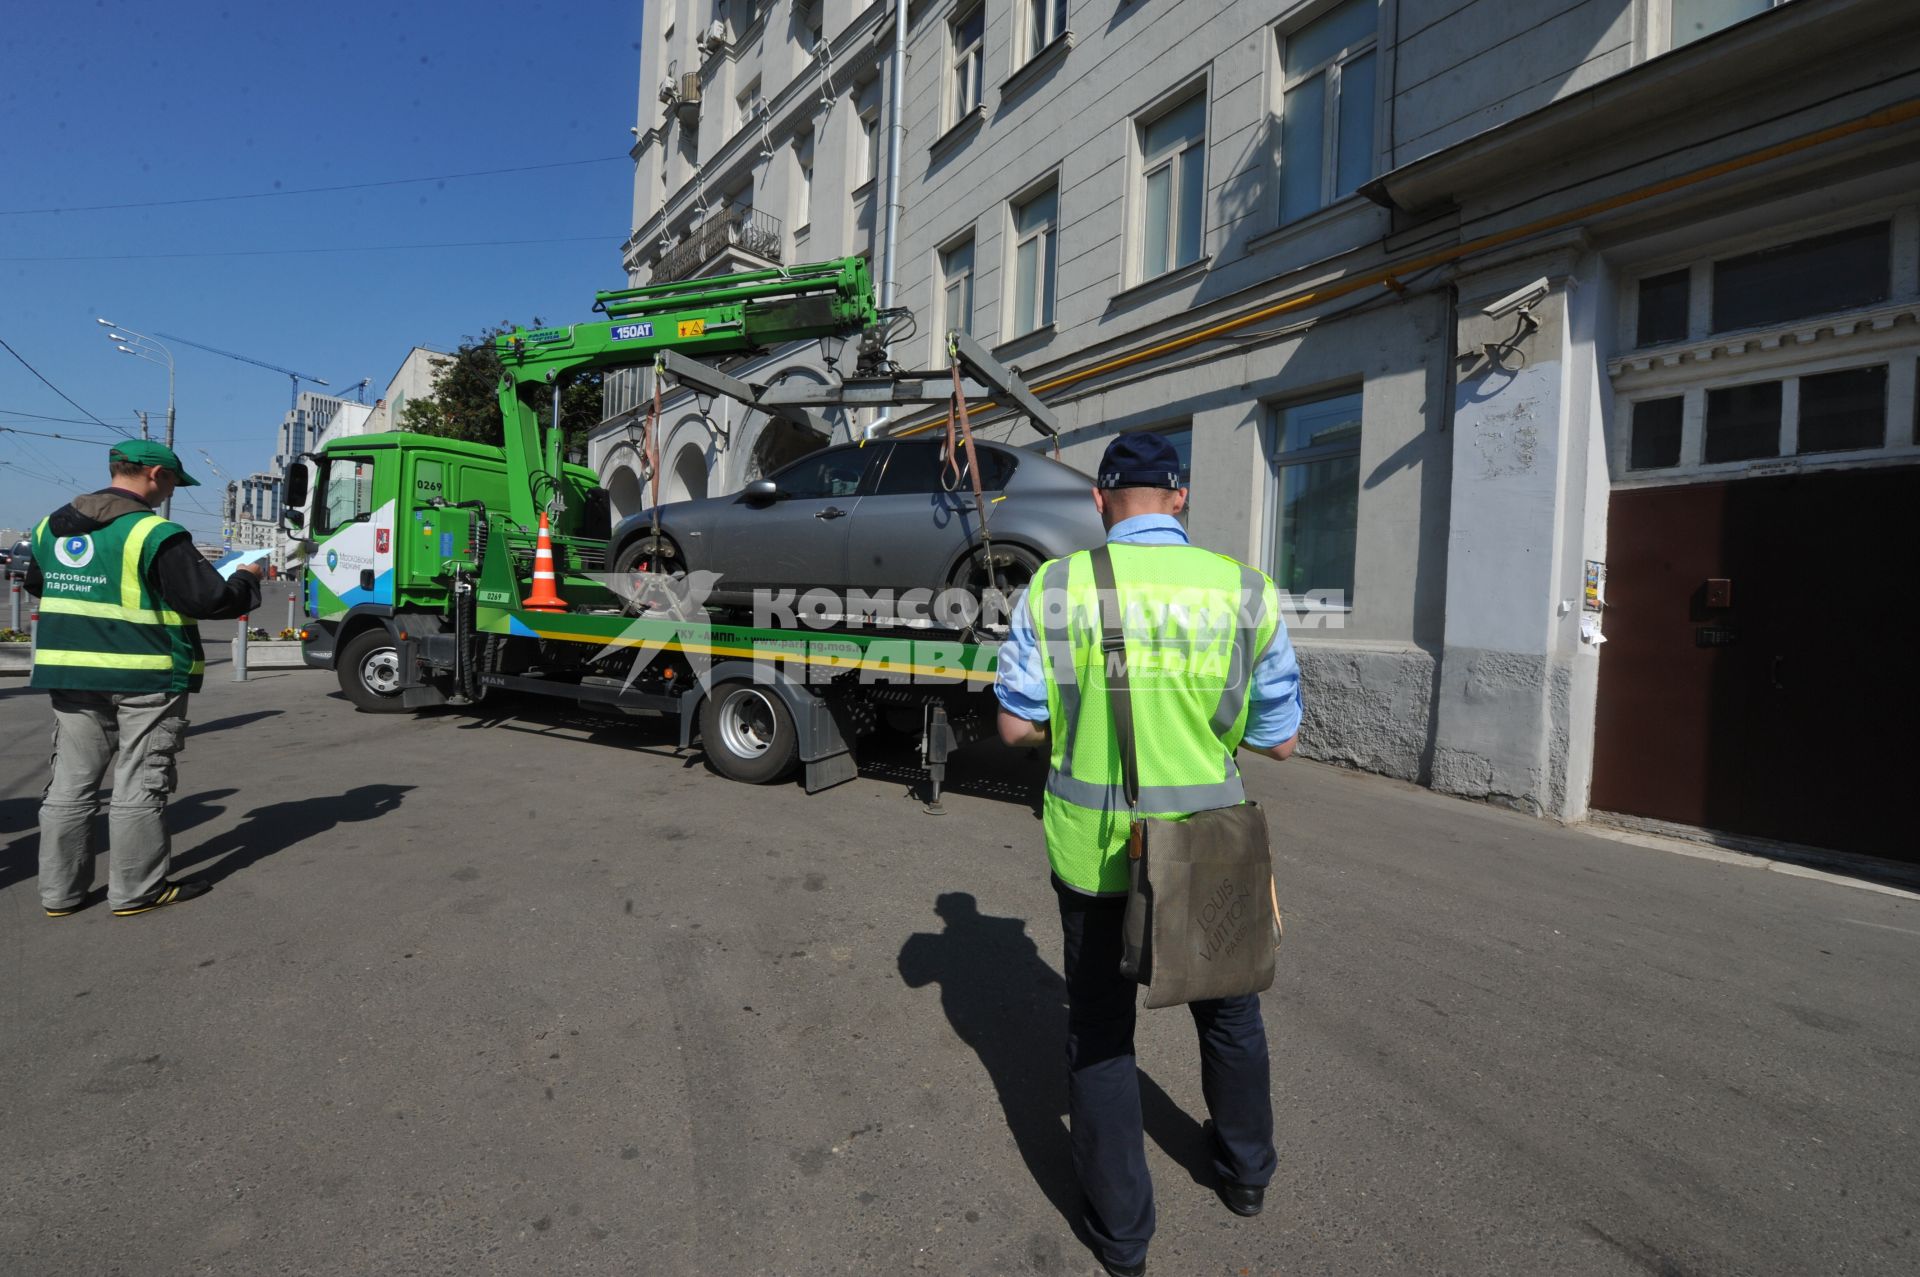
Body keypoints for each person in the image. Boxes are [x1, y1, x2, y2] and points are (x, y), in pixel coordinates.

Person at [994, 431, 1302, 1277]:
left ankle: (1123, 1234)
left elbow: (1016, 725)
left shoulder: (1057, 588)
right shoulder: (1245, 591)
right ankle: (1245, 1173)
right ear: (1180, 498)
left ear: (1100, 502)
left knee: (1100, 1031)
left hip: (1096, 853)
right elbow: (1279, 741)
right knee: (1230, 1012)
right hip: (1208, 842)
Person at [27, 440, 265, 918]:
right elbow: (209, 601)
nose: (171, 491)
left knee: (70, 786)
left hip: (70, 672)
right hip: (144, 676)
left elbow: (38, 584)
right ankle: (136, 891)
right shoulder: (154, 533)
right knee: (140, 784)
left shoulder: (48, 527)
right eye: (174, 480)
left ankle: (60, 895)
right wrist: (249, 578)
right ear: (155, 473)